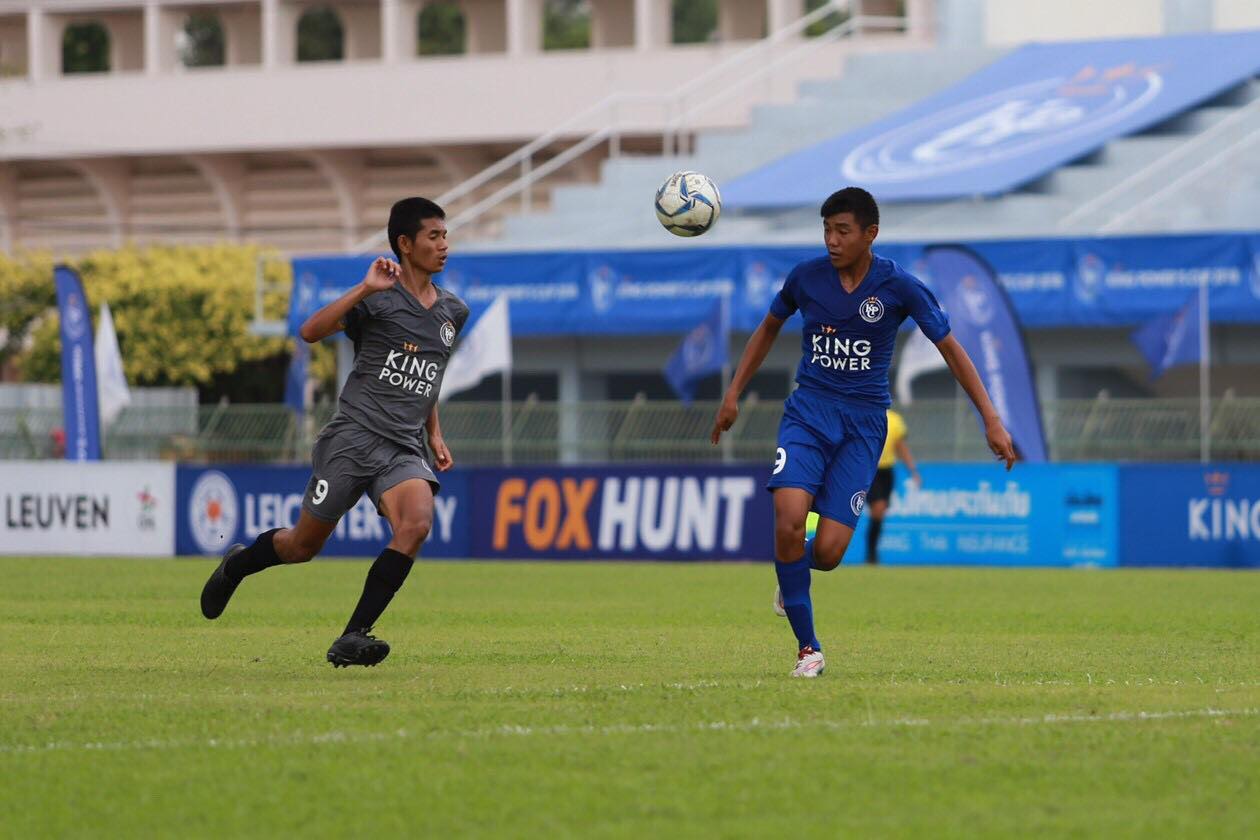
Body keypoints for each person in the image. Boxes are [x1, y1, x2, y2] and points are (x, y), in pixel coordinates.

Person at [710, 187, 1015, 679]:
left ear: (870, 234)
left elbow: (951, 349)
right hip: (808, 413)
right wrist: (733, 394)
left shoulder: (899, 287)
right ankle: (808, 649)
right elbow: (768, 327)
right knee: (788, 518)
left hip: (863, 425)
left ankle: (792, 581)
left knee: (826, 554)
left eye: (842, 231)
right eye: (826, 229)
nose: (832, 240)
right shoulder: (806, 278)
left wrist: (991, 418)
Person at [199, 197, 470, 668]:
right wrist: (363, 288)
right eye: (434, 236)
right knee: (303, 546)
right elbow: (309, 331)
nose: (444, 245)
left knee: (417, 523)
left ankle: (353, 635)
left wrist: (436, 432)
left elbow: (430, 377)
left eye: (445, 235)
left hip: (403, 446)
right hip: (352, 437)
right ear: (405, 245)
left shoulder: (452, 312)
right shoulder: (378, 298)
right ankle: (239, 564)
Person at [864, 408, 919, 565]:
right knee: (878, 508)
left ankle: (872, 553)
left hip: (887, 472)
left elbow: (901, 447)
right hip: (871, 469)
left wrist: (913, 471)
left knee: (880, 513)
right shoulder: (867, 415)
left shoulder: (895, 420)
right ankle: (871, 554)